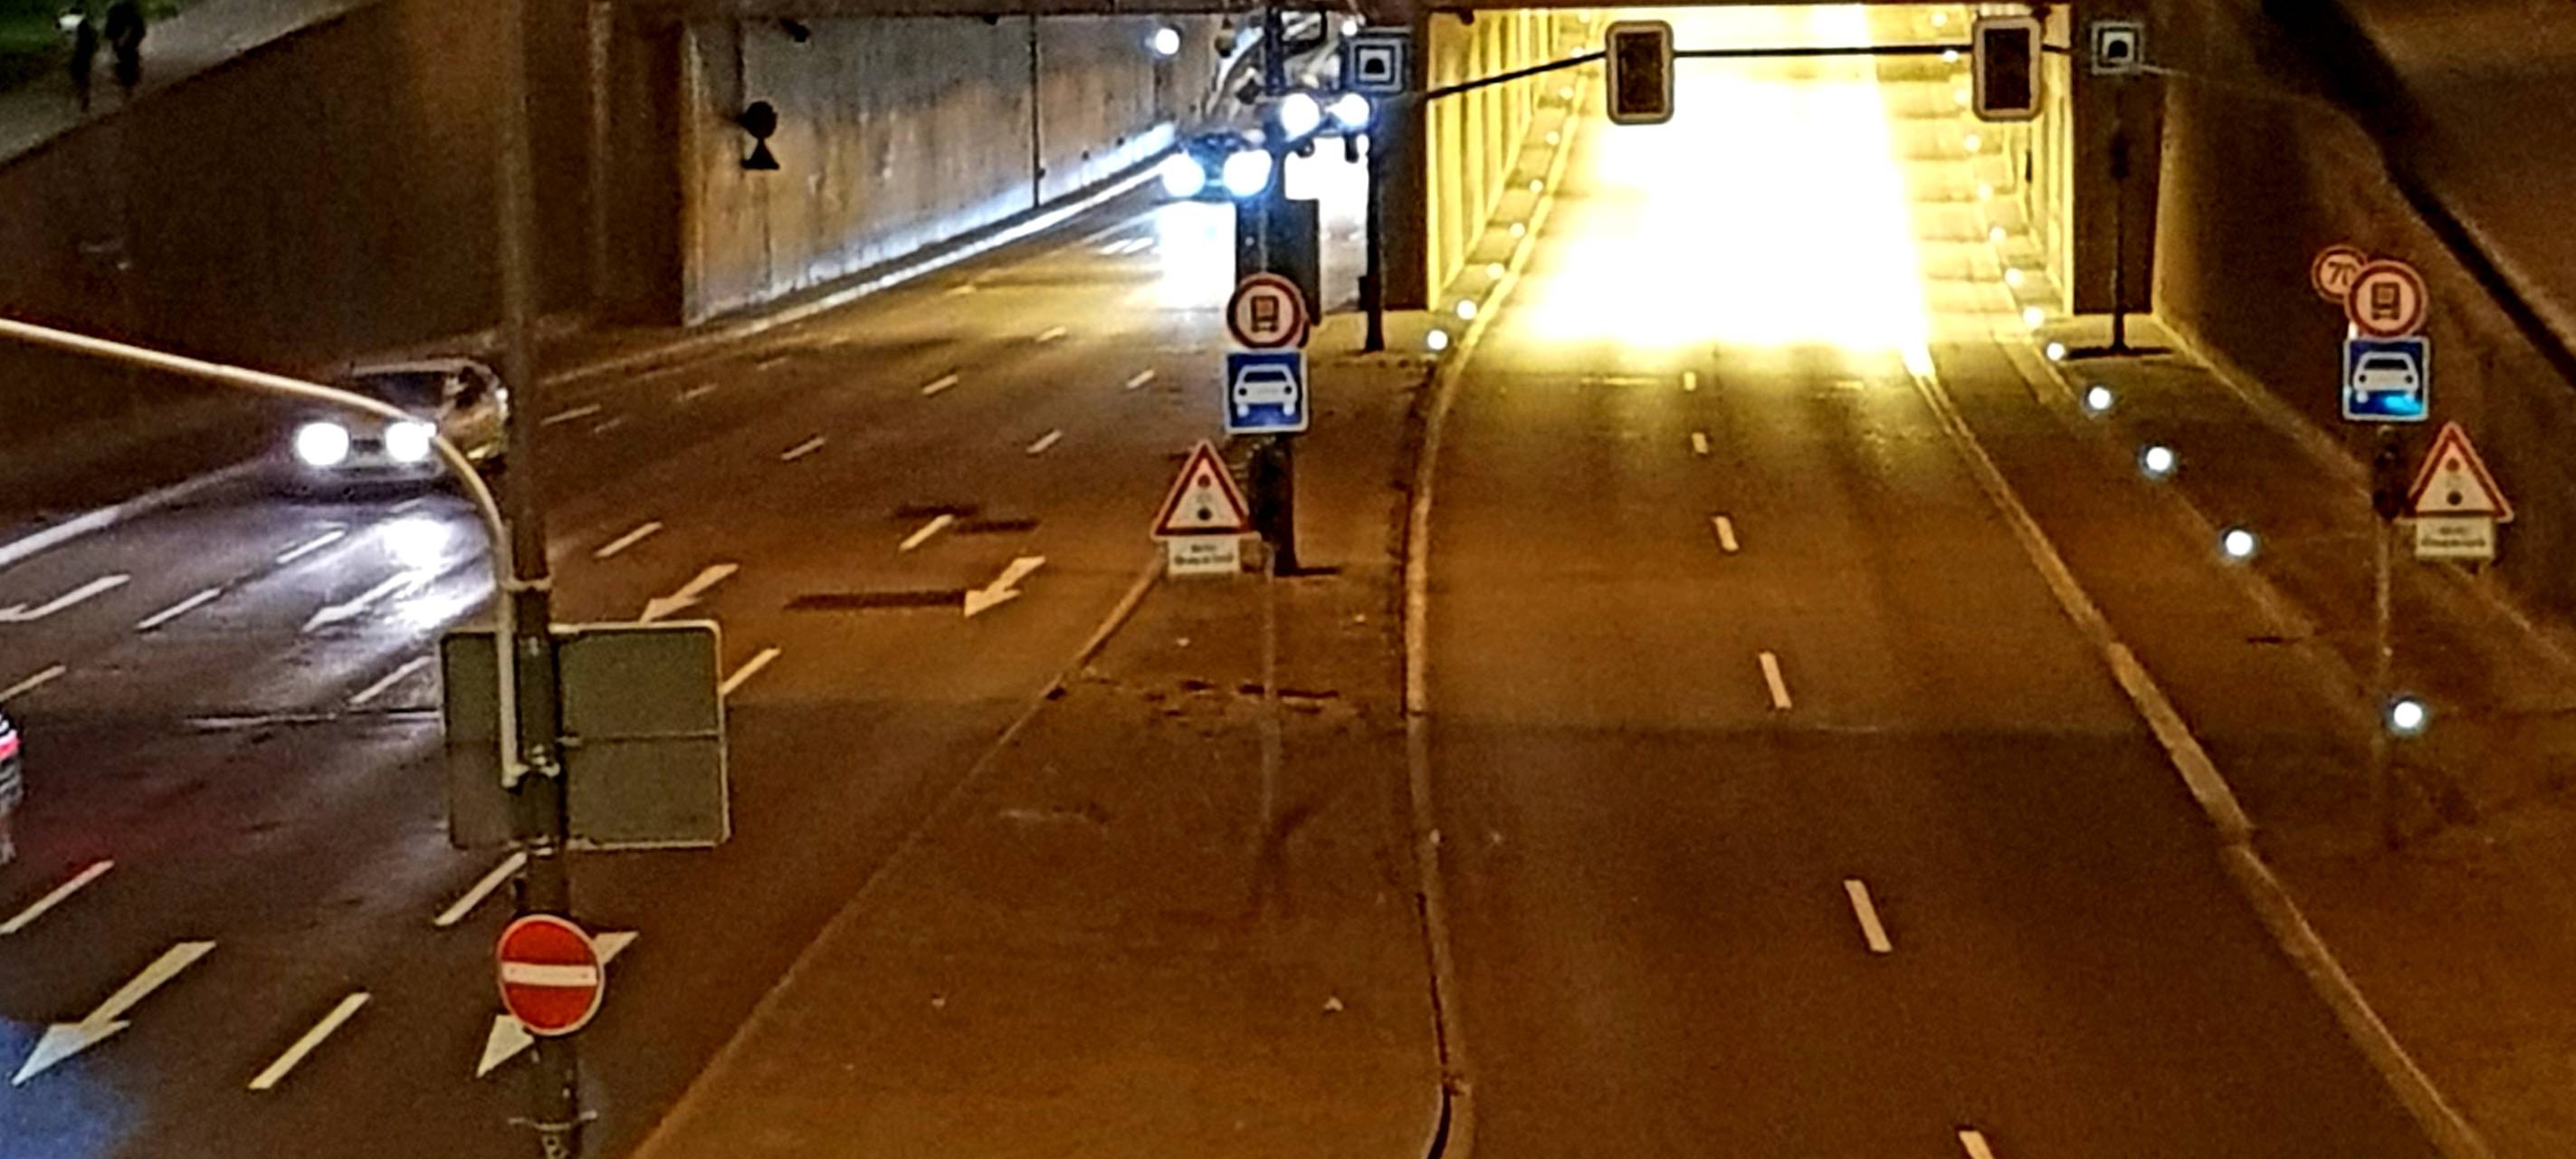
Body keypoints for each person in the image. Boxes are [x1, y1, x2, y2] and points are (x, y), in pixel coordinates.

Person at [102, 0, 143, 98]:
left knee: (124, 62)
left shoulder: (116, 9)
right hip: (126, 42)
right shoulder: (127, 8)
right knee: (125, 62)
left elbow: (109, 30)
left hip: (125, 42)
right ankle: (128, 86)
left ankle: (127, 86)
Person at [67, 8, 99, 112]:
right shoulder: (87, 25)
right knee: (82, 77)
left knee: (79, 76)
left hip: (81, 54)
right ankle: (83, 98)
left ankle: (82, 99)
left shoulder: (82, 26)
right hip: (85, 55)